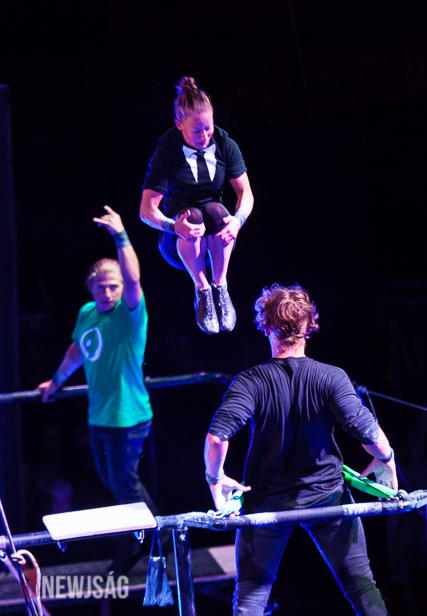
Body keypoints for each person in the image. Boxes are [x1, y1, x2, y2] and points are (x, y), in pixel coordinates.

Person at [204, 284, 398, 616]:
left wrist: (215, 478)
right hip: (327, 498)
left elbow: (216, 439)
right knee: (363, 590)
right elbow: (369, 434)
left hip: (266, 504)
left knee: (250, 600)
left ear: (265, 326)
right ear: (309, 326)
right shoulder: (331, 377)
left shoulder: (249, 381)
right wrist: (386, 458)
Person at [38, 206, 158, 575]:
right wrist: (56, 382)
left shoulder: (129, 313)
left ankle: (135, 549)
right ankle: (158, 530)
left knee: (123, 485)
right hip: (100, 417)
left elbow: (135, 280)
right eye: (101, 286)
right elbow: (78, 350)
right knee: (117, 481)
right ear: (91, 287)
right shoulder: (87, 312)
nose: (108, 292)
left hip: (129, 418)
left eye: (114, 286)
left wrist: (120, 235)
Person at [140, 76, 254, 335]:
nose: (204, 136)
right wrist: (173, 226)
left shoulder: (224, 143)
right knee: (192, 215)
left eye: (208, 128)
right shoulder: (167, 150)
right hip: (178, 239)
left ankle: (220, 286)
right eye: (196, 131)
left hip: (215, 242)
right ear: (179, 124)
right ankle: (202, 290)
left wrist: (238, 221)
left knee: (217, 211)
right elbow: (146, 210)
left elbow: (246, 193)